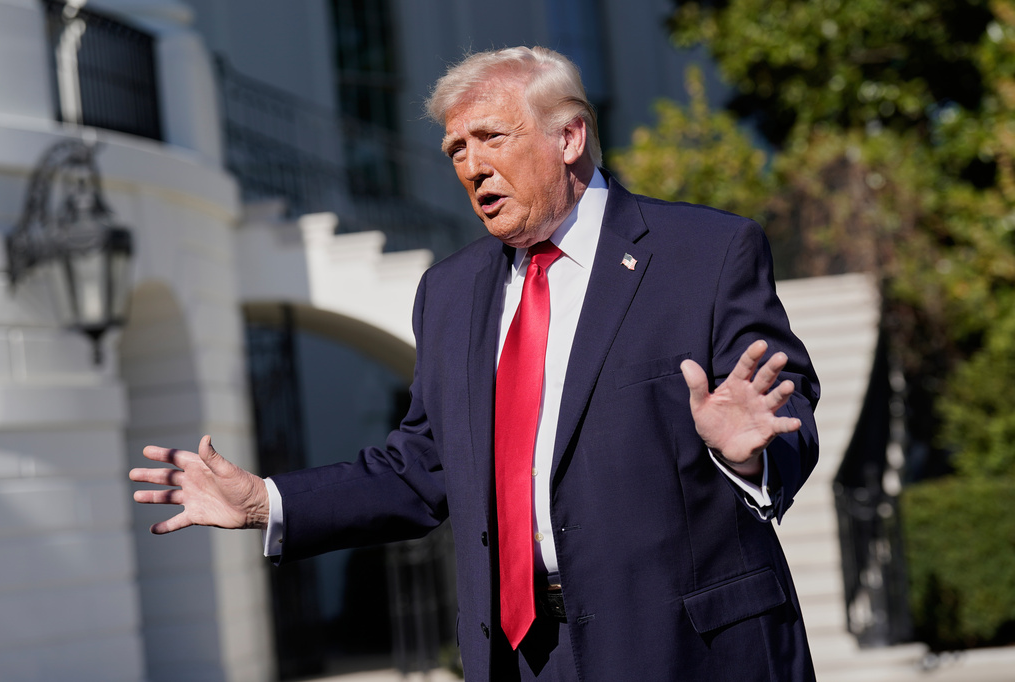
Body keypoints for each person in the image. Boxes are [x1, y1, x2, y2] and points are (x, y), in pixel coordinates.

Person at [131, 46, 819, 681]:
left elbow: (779, 400)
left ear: (569, 137)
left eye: (491, 137)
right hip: (521, 660)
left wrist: (747, 455)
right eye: (456, 148)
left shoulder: (703, 251)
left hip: (688, 650)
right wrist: (264, 501)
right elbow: (420, 468)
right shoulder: (450, 292)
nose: (470, 165)